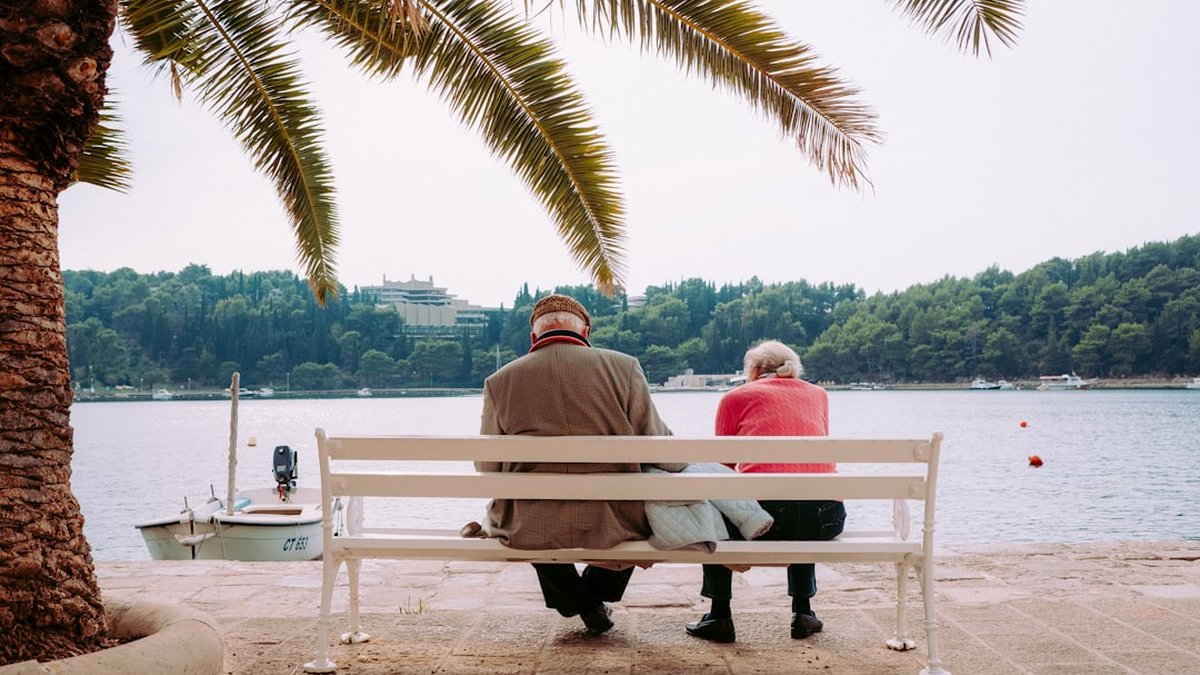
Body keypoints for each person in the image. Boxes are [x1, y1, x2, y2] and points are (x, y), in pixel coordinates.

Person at [477, 293, 677, 635]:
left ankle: (577, 601)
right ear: (586, 330)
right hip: (614, 517)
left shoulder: (500, 381)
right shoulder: (624, 367)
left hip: (530, 522)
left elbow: (487, 466)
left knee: (531, 519)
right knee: (637, 512)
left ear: (533, 337)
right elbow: (659, 448)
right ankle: (588, 599)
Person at [684, 340, 846, 644]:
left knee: (717, 501)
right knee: (804, 489)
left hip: (765, 524)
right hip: (825, 521)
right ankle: (803, 611)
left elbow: (724, 468)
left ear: (755, 370)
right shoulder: (820, 395)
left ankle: (719, 614)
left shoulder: (736, 397)